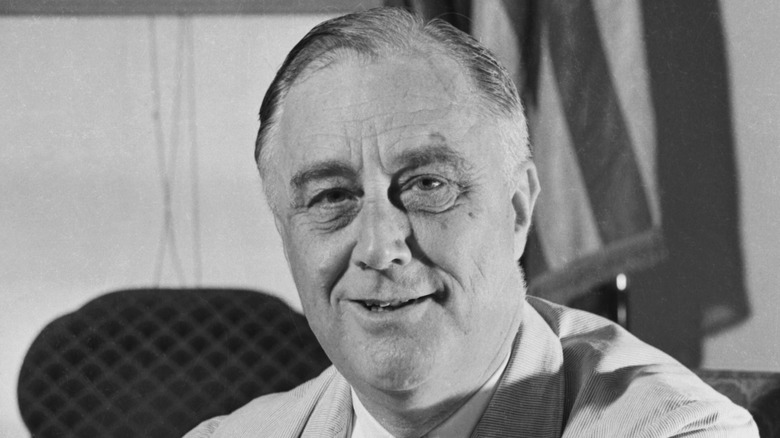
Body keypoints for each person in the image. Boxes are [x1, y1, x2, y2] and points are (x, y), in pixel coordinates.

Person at [185, 7, 757, 438]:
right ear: (285, 234)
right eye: (332, 196)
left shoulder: (675, 430)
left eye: (428, 186)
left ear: (517, 209)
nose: (381, 247)